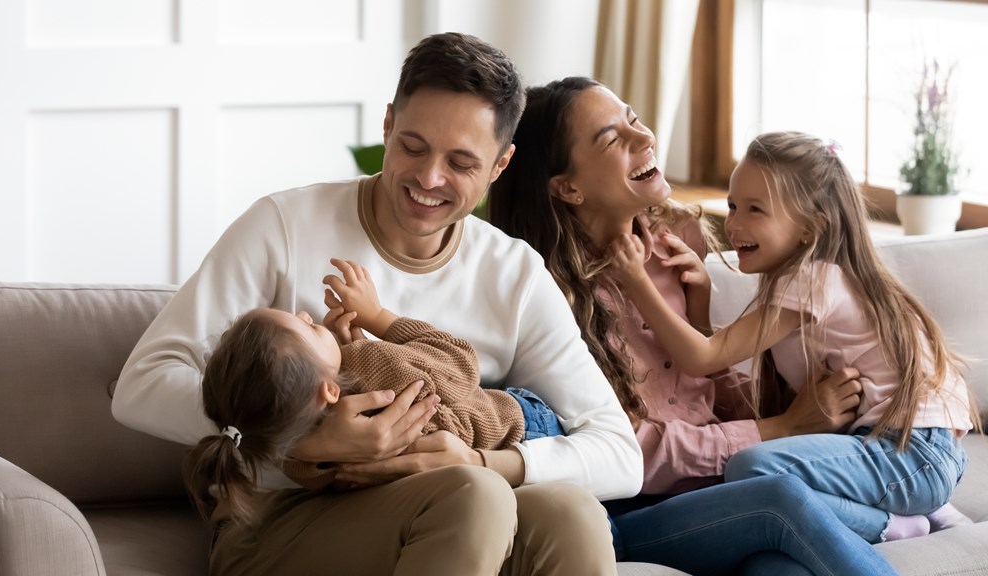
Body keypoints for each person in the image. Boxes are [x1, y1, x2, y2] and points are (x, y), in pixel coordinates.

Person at [113, 33, 641, 576]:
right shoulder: (282, 227)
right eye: (412, 146)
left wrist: (481, 459)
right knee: (472, 495)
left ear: (500, 165)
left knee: (569, 511)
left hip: (449, 502)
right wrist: (308, 438)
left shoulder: (513, 274)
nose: (428, 178)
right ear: (387, 126)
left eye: (461, 162)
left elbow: (618, 454)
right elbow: (142, 386)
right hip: (280, 518)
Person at [489, 77, 898, 575]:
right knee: (778, 499)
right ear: (568, 187)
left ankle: (885, 523)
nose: (644, 139)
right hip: (635, 509)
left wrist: (704, 318)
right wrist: (779, 429)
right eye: (613, 139)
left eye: (634, 119)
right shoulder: (545, 297)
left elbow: (700, 388)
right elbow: (627, 447)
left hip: (719, 495)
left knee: (778, 569)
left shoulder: (672, 252)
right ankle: (880, 522)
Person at [609, 130, 978, 544]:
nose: (733, 224)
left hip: (910, 452)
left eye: (755, 210)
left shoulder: (811, 279)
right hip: (912, 451)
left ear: (809, 228)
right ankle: (916, 509)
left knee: (750, 469)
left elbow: (702, 358)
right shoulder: (815, 278)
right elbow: (711, 361)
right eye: (732, 205)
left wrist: (636, 280)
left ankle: (891, 524)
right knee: (759, 474)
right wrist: (701, 300)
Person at [184, 257, 567, 523]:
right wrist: (378, 321)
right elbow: (461, 362)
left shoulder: (306, 462)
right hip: (523, 424)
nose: (304, 314)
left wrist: (349, 348)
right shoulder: (374, 363)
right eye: (308, 328)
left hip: (486, 472)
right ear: (329, 391)